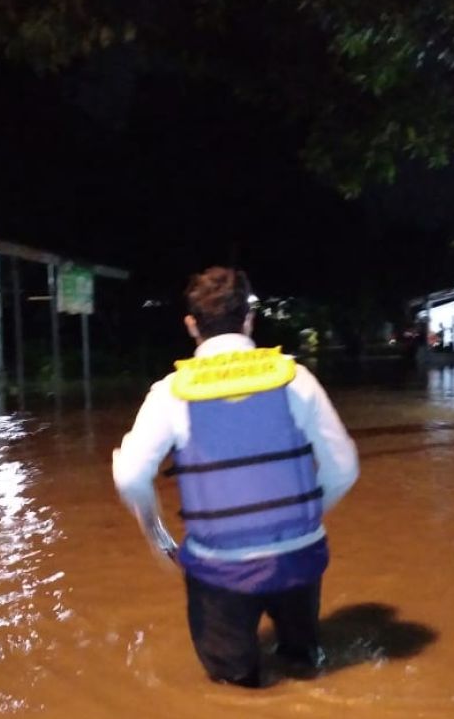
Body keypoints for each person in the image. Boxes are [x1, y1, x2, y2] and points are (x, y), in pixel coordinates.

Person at [112, 267, 359, 687]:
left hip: (218, 571)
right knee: (305, 667)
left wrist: (160, 540)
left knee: (235, 691)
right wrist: (302, 518)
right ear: (248, 319)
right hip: (300, 562)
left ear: (191, 325)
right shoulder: (295, 378)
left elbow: (131, 477)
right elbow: (345, 468)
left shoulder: (170, 393)